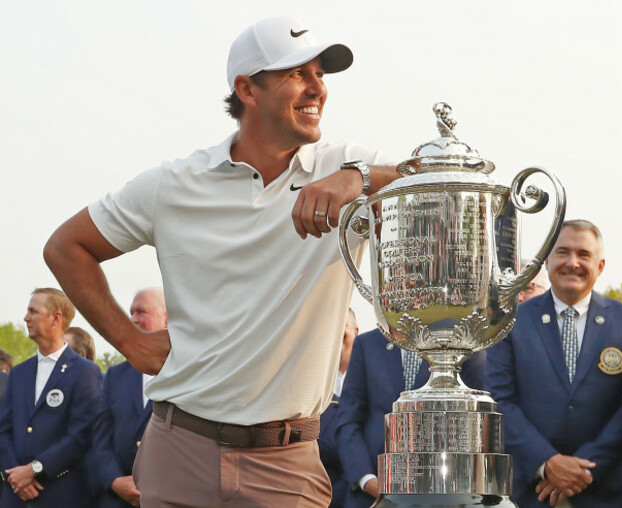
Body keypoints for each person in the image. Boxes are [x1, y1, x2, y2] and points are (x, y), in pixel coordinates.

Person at [43, 15, 398, 507]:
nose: (319, 88)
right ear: (247, 89)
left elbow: (439, 175)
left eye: (321, 73)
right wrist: (130, 341)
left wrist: (358, 176)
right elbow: (65, 246)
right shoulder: (174, 183)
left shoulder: (349, 164)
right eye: (298, 73)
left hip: (287, 466)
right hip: (178, 451)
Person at [486, 220, 622, 507]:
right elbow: (499, 401)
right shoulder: (510, 322)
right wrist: (547, 463)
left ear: (601, 265)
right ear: (547, 261)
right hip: (530, 489)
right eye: (563, 252)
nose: (573, 263)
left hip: (609, 490)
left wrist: (584, 469)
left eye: (584, 254)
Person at [336, 328, 486, 507]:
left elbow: (475, 424)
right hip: (370, 496)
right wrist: (367, 480)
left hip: (442, 496)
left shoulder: (460, 345)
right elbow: (348, 420)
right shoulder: (367, 344)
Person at [0, 288, 102, 506]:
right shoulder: (19, 373)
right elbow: (4, 430)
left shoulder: (84, 372)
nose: (26, 317)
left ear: (56, 318)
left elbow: (81, 434)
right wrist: (16, 477)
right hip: (15, 495)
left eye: (33, 311)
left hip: (59, 494)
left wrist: (36, 469)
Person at [92, 288, 166, 507]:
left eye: (141, 312)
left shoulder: (189, 375)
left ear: (167, 318)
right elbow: (100, 438)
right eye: (131, 312)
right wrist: (114, 480)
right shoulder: (115, 375)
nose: (132, 319)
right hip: (116, 499)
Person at [319, 308, 359, 508]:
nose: (335, 334)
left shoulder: (371, 379)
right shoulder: (314, 384)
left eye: (341, 327)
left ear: (356, 332)